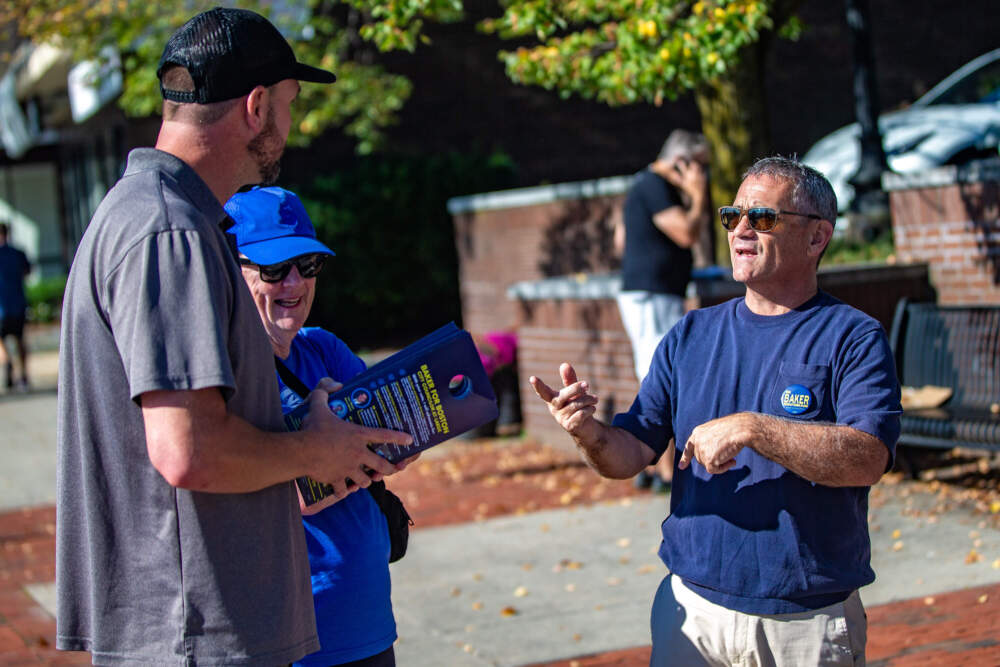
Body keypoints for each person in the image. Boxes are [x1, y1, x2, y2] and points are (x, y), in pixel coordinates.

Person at [56, 9, 412, 665]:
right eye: (290, 104)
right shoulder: (169, 229)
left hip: (194, 626)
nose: (292, 126)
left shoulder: (152, 214)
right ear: (256, 107)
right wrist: (316, 449)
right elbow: (188, 450)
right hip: (199, 633)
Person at [532, 157, 901, 666]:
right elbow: (629, 453)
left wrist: (755, 429)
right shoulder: (690, 334)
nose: (742, 229)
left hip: (803, 620)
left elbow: (868, 458)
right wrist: (587, 432)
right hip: (691, 607)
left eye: (763, 218)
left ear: (817, 238)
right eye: (733, 216)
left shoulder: (852, 336)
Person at [226, 186, 406, 667]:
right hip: (294, 637)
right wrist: (336, 446)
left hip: (367, 621)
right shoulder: (227, 374)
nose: (293, 283)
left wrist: (400, 439)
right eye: (272, 269)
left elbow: (391, 433)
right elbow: (297, 494)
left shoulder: (322, 347)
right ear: (229, 271)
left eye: (307, 265)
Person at [613, 129, 711, 492]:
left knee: (658, 374)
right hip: (651, 296)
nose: (704, 175)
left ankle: (652, 467)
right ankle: (665, 470)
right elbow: (687, 233)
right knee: (662, 378)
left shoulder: (646, 185)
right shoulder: (654, 184)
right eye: (700, 167)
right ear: (681, 162)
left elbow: (619, 239)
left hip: (650, 293)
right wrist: (698, 194)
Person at [0, 222, 30, 391]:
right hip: (18, 303)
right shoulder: (18, 253)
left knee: (1, 340)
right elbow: (27, 272)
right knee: (20, 340)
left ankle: (7, 362)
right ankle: (23, 374)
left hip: (1, 306)